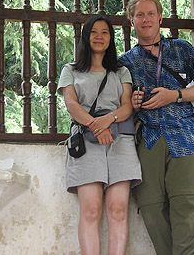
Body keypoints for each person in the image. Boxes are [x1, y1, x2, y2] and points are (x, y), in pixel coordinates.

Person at [118, 0, 194, 255]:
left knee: (187, 208)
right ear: (132, 21)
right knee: (151, 208)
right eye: (140, 15)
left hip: (185, 136)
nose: (146, 19)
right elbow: (120, 106)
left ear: (160, 18)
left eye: (151, 14)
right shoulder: (124, 63)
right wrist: (135, 102)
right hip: (149, 139)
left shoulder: (182, 49)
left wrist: (175, 95)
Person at [57, 15, 141, 255]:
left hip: (120, 142)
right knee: (91, 210)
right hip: (86, 142)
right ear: (86, 36)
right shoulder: (70, 70)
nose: (99, 37)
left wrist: (109, 120)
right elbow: (72, 105)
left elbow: (127, 106)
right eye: (94, 32)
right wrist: (96, 126)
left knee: (118, 209)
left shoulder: (121, 71)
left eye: (105, 32)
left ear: (110, 38)